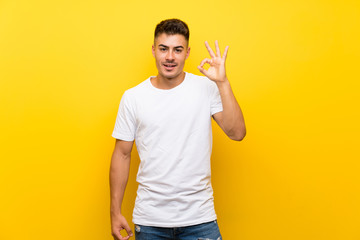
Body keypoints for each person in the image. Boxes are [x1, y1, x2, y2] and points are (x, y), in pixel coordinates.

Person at [109, 18, 246, 240]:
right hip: (150, 220)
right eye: (163, 49)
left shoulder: (206, 87)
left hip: (199, 218)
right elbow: (122, 154)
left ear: (187, 52)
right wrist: (114, 212)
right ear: (154, 50)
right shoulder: (133, 97)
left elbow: (237, 133)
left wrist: (223, 83)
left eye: (177, 49)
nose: (170, 57)